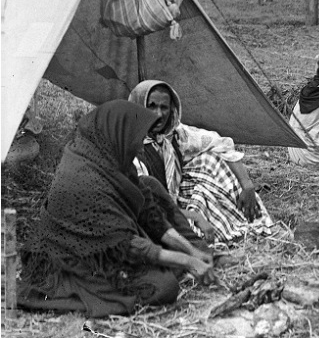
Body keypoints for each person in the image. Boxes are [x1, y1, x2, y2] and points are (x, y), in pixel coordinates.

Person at [18, 101, 215, 317]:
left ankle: (200, 251)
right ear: (116, 132)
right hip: (77, 258)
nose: (140, 147)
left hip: (112, 240)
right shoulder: (83, 180)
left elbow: (150, 214)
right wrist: (186, 261)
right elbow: (127, 246)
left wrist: (191, 251)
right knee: (163, 286)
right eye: (136, 139)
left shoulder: (107, 156)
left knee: (148, 185)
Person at [129, 80, 274, 244]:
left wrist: (247, 185)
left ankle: (249, 224)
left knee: (209, 160)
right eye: (151, 106)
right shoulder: (131, 147)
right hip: (151, 213)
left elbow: (220, 144)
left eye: (164, 107)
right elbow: (145, 203)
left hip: (175, 201)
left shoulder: (175, 135)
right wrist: (194, 216)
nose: (159, 114)